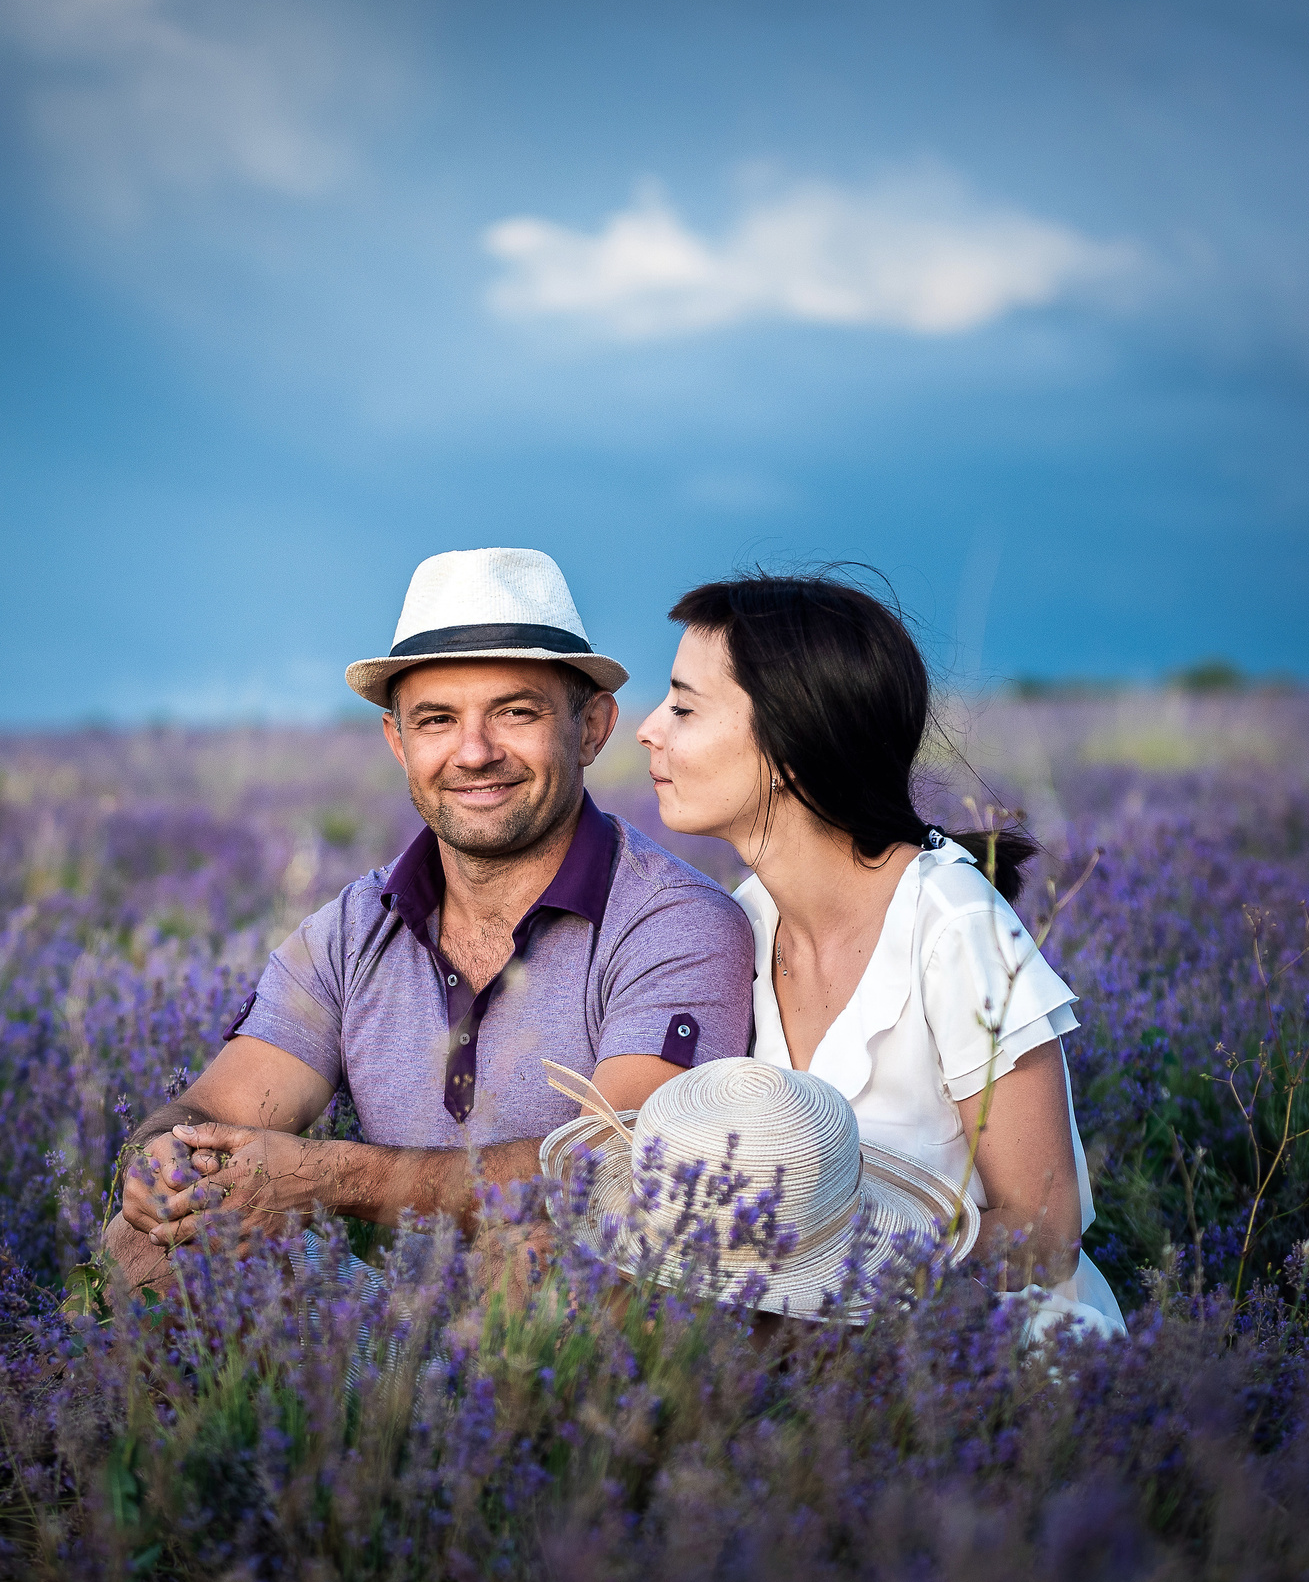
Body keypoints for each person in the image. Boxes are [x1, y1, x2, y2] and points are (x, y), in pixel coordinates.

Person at [104, 547, 756, 1294]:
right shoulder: (353, 929)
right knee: (148, 1236)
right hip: (374, 1328)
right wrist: (161, 1159)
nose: (474, 752)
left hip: (565, 1360)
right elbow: (210, 1109)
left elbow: (618, 1170)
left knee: (544, 1256)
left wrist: (328, 1175)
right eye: (437, 720)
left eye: (515, 711)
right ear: (399, 742)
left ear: (591, 727)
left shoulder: (673, 923)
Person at [633, 568, 1125, 1334]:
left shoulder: (953, 926)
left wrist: (841, 1275)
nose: (650, 728)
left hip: (999, 1359)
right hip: (818, 1365)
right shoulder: (741, 925)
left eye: (685, 707)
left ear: (792, 743)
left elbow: (1046, 1232)